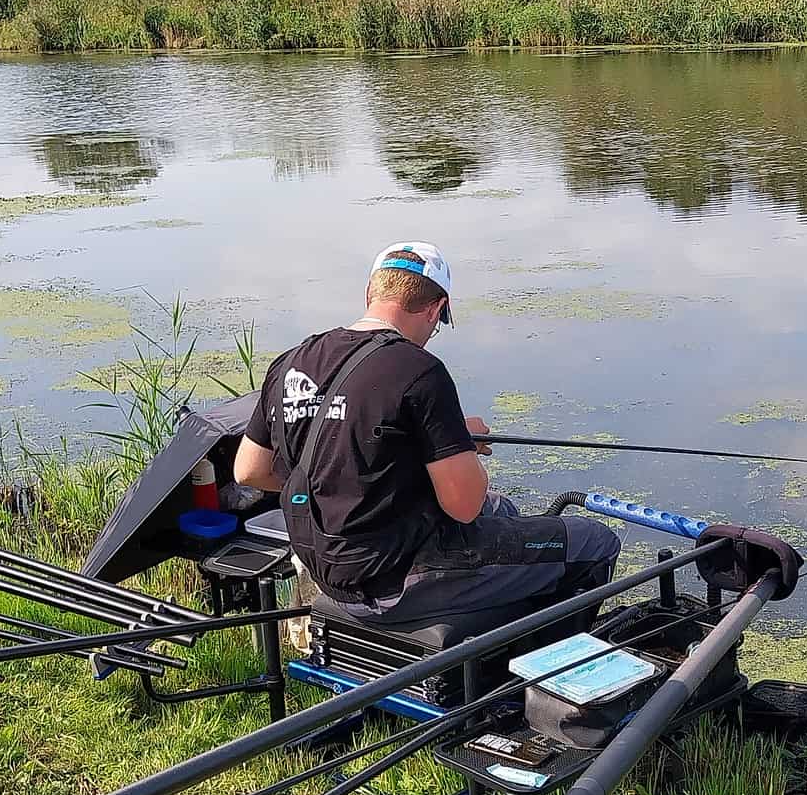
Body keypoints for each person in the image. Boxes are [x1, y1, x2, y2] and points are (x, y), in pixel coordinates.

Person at [233, 241, 620, 626]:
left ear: (371, 292)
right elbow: (464, 505)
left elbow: (249, 471)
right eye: (439, 321)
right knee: (594, 541)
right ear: (436, 309)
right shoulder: (419, 371)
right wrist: (457, 446)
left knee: (503, 510)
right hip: (391, 580)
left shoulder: (291, 361)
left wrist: (432, 444)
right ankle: (531, 673)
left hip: (327, 568)